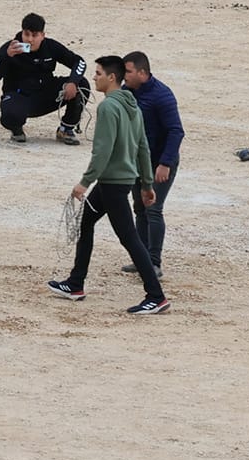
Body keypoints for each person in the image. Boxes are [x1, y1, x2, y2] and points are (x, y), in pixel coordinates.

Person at [48, 56, 171, 315]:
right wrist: (147, 184)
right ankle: (75, 283)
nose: (94, 77)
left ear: (112, 78)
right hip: (115, 182)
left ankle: (156, 296)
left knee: (130, 238)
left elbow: (102, 152)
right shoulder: (132, 106)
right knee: (87, 222)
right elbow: (142, 147)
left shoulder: (107, 108)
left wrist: (84, 183)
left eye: (98, 73)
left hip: (112, 183)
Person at [121, 51, 183, 277]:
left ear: (142, 73)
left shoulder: (162, 95)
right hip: (138, 163)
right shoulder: (127, 92)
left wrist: (165, 163)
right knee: (140, 209)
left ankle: (154, 263)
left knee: (153, 209)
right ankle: (142, 259)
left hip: (159, 162)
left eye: (127, 71)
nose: (123, 75)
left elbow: (176, 131)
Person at [0, 12, 87, 144]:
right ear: (22, 32)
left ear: (42, 35)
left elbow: (79, 62)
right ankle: (17, 130)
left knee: (82, 84)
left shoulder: (50, 46)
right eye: (27, 34)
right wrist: (6, 56)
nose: (30, 40)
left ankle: (66, 128)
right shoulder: (10, 48)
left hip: (46, 94)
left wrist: (72, 82)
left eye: (35, 35)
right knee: (10, 115)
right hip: (19, 97)